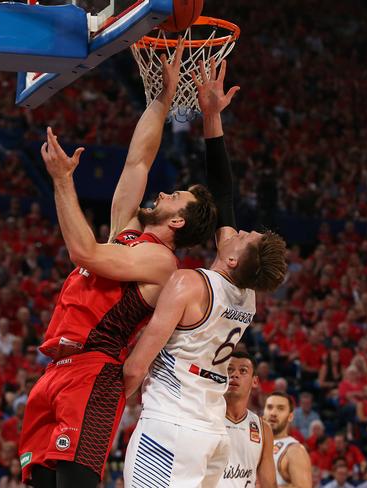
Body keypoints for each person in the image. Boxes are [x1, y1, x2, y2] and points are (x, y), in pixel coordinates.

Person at [19, 41, 218, 488]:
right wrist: (163, 100)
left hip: (95, 373)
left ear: (179, 221)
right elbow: (139, 159)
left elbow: (85, 253)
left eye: (174, 197)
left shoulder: (160, 261)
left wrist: (63, 183)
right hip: (55, 370)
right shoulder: (128, 232)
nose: (164, 193)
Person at [122, 59, 287, 487]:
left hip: (170, 426)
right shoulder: (243, 294)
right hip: (210, 432)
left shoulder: (189, 282)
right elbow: (225, 195)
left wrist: (107, 415)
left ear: (232, 257)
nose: (238, 229)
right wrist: (211, 117)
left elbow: (136, 366)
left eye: (243, 236)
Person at [219, 352, 276, 488]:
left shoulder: (263, 428)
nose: (234, 375)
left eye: (243, 371)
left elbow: (269, 483)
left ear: (255, 381)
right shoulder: (205, 417)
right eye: (229, 370)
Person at [263, 393, 312, 488]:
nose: (273, 413)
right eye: (269, 407)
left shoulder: (295, 451)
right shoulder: (251, 443)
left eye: (280, 408)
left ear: (290, 417)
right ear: (263, 413)